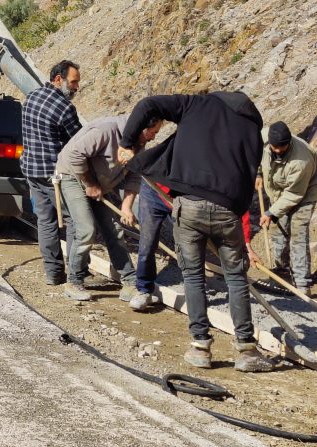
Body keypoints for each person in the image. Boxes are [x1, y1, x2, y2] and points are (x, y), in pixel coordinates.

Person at [119, 91, 273, 372]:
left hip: (189, 205)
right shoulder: (252, 127)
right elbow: (249, 177)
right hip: (229, 210)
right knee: (236, 278)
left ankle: (201, 347)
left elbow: (148, 104)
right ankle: (247, 350)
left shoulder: (196, 104)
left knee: (193, 276)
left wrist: (127, 143)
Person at [55, 114, 161, 302]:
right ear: (141, 127)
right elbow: (74, 155)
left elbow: (134, 175)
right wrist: (90, 184)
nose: (153, 137)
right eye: (152, 132)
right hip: (73, 176)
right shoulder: (106, 131)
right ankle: (73, 281)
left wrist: (127, 206)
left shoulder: (138, 142)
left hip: (100, 182)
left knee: (114, 230)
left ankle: (129, 281)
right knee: (86, 230)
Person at [20, 60, 83, 286]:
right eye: (73, 82)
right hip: (54, 176)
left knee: (45, 222)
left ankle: (53, 273)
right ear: (58, 79)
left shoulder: (31, 97)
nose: (76, 87)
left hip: (31, 170)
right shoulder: (65, 108)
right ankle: (77, 273)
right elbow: (79, 142)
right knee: (76, 220)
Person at [259, 121, 316, 295]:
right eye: (274, 147)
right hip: (278, 191)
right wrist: (258, 173)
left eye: (282, 148)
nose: (277, 151)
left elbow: (294, 194)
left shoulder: (301, 161)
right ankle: (281, 275)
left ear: (289, 142)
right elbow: (255, 153)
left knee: (298, 235)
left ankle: (302, 284)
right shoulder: (263, 137)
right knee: (279, 231)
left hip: (304, 192)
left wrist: (271, 212)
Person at [129, 179, 180, 312]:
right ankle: (144, 290)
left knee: (188, 246)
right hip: (153, 188)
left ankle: (195, 291)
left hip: (182, 192)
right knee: (147, 244)